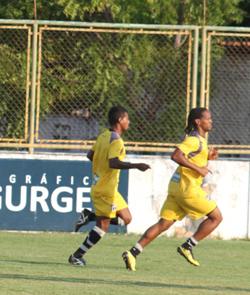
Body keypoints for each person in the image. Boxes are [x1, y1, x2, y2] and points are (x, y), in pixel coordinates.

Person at [122, 108, 221, 271]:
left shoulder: (200, 141)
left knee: (163, 224)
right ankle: (188, 246)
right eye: (208, 119)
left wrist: (207, 157)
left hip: (176, 188)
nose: (211, 121)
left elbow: (190, 157)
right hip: (188, 189)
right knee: (216, 217)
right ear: (198, 121)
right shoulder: (194, 140)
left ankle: (133, 252)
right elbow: (176, 155)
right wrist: (198, 168)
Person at [69, 106, 150, 266]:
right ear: (120, 120)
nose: (129, 122)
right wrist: (136, 165)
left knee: (126, 219)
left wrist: (101, 169)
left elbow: (90, 155)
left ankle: (89, 216)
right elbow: (113, 162)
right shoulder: (117, 141)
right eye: (127, 118)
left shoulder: (103, 136)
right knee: (102, 226)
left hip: (110, 189)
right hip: (105, 190)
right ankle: (76, 256)